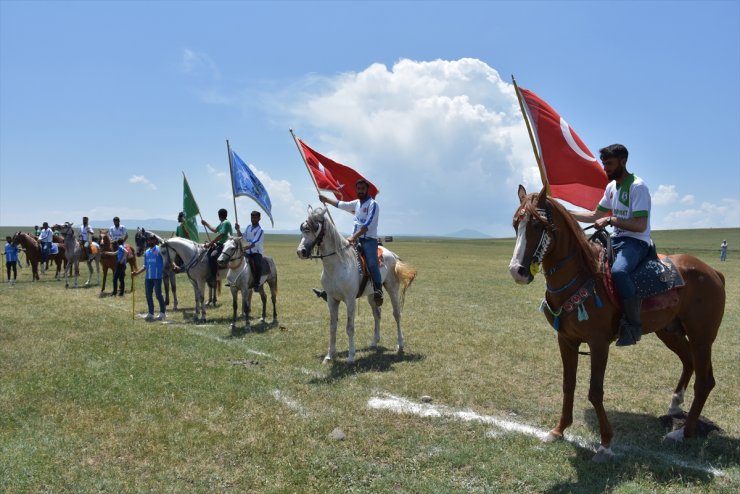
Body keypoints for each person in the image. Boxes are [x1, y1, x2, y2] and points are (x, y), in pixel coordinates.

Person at [569, 144, 651, 347]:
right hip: (615, 240)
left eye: (610, 164)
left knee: (620, 272)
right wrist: (564, 212)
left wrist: (611, 220)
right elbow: (595, 215)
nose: (606, 169)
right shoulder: (611, 187)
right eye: (605, 164)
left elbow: (640, 225)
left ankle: (633, 326)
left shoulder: (638, 187)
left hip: (635, 242)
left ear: (623, 162)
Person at [319, 179, 384, 306]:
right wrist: (326, 199)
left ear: (367, 189)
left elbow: (367, 226)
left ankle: (378, 291)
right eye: (358, 189)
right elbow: (340, 204)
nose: (360, 191)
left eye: (362, 189)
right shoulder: (357, 203)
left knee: (371, 263)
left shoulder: (373, 204)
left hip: (368, 240)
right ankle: (330, 290)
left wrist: (353, 237)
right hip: (354, 239)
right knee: (338, 259)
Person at [132, 234, 166, 321]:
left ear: (155, 240)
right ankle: (151, 313)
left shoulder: (159, 249)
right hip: (148, 277)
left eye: (152, 239)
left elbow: (166, 258)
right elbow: (145, 266)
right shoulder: (147, 252)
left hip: (157, 276)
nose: (150, 241)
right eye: (149, 240)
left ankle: (162, 312)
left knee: (158, 294)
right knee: (148, 295)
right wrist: (136, 273)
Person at [201, 208, 233, 282]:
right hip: (220, 244)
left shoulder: (226, 223)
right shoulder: (223, 223)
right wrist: (206, 223)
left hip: (226, 245)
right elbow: (215, 230)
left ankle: (213, 276)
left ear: (219, 216)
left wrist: (210, 244)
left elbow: (220, 236)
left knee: (212, 256)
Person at [238, 211, 265, 290]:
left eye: (255, 217)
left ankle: (257, 284)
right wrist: (238, 230)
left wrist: (244, 248)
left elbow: (254, 243)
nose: (253, 219)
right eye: (252, 217)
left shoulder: (260, 230)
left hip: (256, 252)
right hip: (247, 252)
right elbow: (242, 237)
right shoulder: (248, 227)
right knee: (236, 260)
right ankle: (234, 280)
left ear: (259, 219)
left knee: (257, 265)